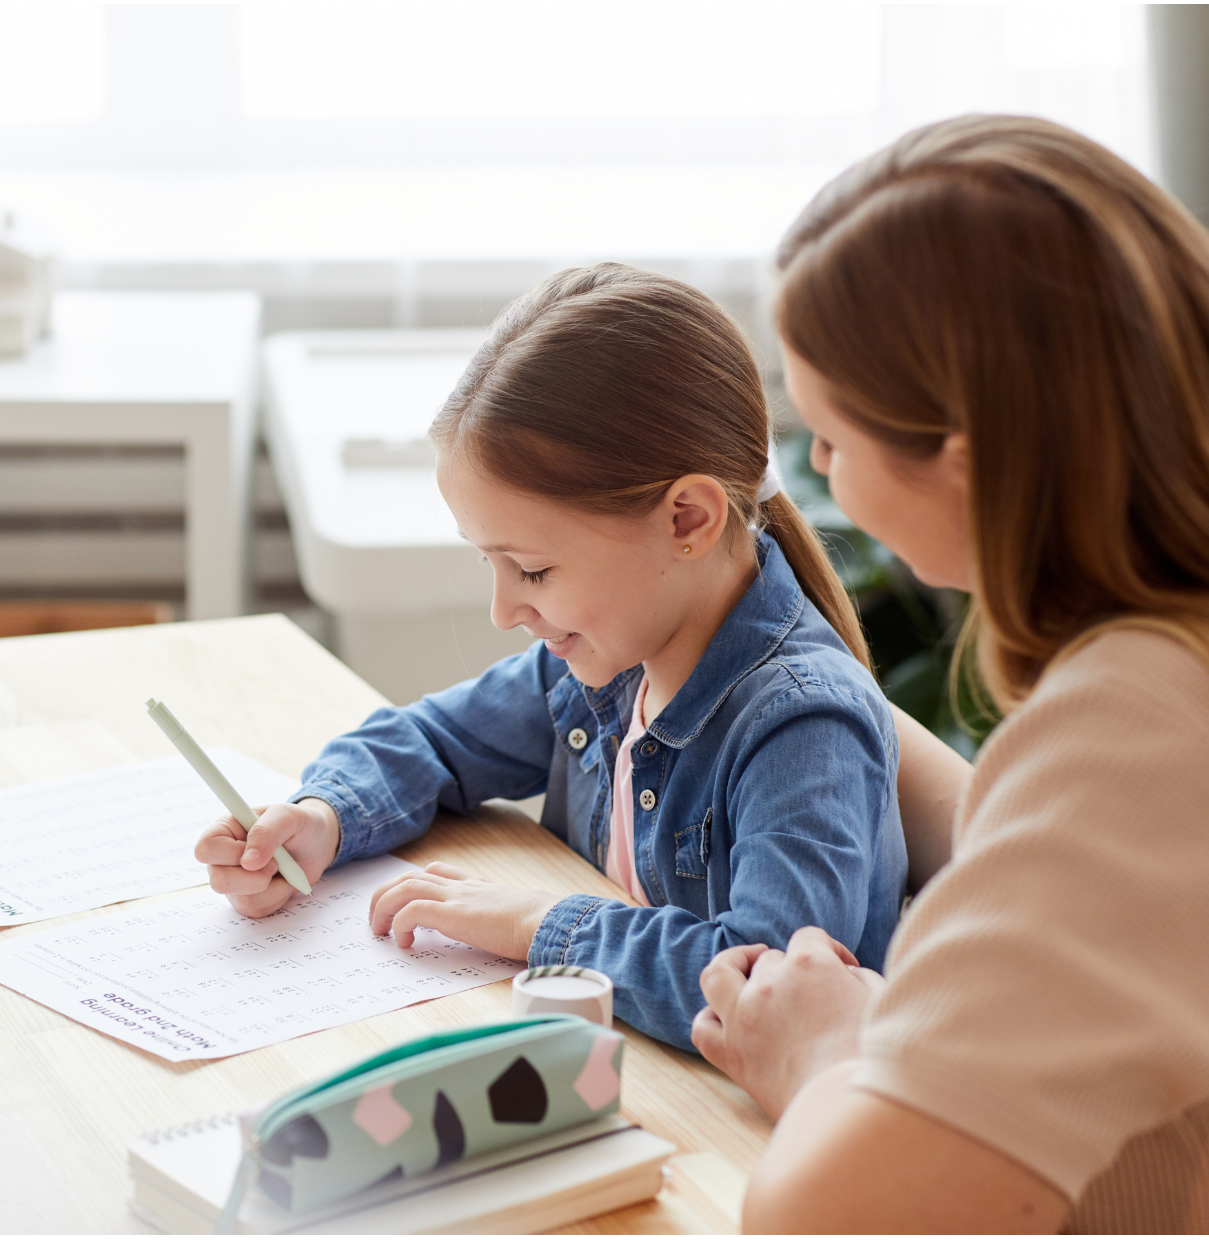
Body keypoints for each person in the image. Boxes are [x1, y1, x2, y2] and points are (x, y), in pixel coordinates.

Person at [691, 114, 1209, 1232]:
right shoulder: (1166, 670)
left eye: (827, 438)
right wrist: (810, 697)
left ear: (967, 460)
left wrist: (834, 1038)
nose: (812, 474)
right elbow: (1081, 865)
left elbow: (827, 1211)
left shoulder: (1136, 723)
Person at [194, 263, 907, 1050]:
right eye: (489, 563)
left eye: (532, 570)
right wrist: (324, 816)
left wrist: (537, 920)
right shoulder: (612, 659)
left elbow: (763, 992)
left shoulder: (801, 726)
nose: (504, 611)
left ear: (688, 519)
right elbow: (431, 740)